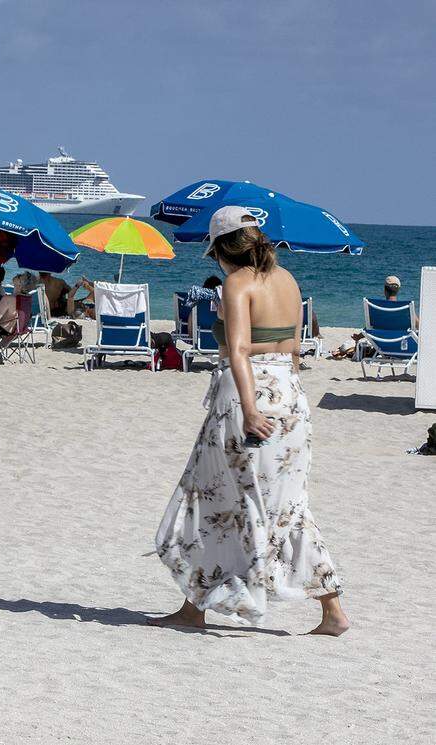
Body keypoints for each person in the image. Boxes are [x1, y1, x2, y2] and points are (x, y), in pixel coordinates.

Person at [151, 206, 348, 635]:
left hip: (248, 398)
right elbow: (293, 347)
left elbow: (238, 352)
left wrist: (251, 409)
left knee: (211, 497)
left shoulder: (237, 283)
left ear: (222, 249)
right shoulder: (288, 280)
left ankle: (194, 608)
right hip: (291, 397)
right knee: (287, 505)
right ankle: (332, 611)